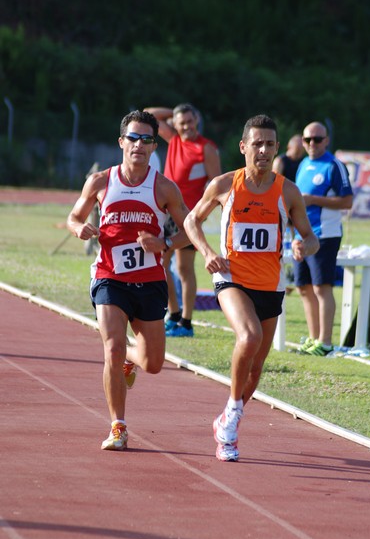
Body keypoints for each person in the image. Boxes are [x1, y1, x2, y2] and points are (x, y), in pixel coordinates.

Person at [183, 114, 319, 462]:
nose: (263, 150)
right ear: (243, 147)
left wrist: (305, 246)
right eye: (256, 144)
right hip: (232, 277)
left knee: (256, 369)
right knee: (249, 337)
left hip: (270, 284)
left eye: (269, 144)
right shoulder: (225, 184)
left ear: (276, 149)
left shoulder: (287, 191)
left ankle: (227, 418)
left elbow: (310, 236)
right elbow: (190, 221)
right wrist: (209, 252)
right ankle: (231, 417)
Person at [67, 110, 189, 451]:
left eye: (146, 139)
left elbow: (189, 229)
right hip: (109, 277)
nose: (138, 144)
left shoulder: (164, 187)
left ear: (153, 146)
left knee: (152, 363)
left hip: (149, 280)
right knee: (112, 346)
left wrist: (163, 243)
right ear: (122, 142)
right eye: (132, 138)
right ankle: (118, 426)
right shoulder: (101, 182)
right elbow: (74, 216)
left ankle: (129, 361)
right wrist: (79, 228)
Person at [144, 103, 222, 337]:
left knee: (185, 268)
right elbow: (148, 115)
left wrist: (201, 215)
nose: (186, 126)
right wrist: (173, 112)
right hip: (166, 212)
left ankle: (186, 322)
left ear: (197, 120)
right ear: (174, 124)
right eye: (181, 122)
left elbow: (217, 185)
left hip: (188, 214)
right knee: (161, 263)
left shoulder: (206, 148)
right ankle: (174, 313)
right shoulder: (174, 139)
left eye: (190, 121)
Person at [294, 121, 354, 356]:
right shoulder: (303, 164)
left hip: (325, 235)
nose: (312, 144)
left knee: (321, 287)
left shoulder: (334, 166)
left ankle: (325, 342)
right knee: (304, 288)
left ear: (326, 140)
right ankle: (313, 338)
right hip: (301, 236)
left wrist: (314, 200)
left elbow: (347, 202)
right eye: (308, 139)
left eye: (317, 139)